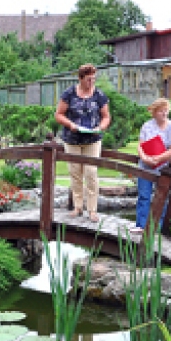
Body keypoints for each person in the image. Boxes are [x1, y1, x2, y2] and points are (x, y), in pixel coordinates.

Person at [54, 64, 111, 222]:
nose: (91, 82)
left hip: (92, 139)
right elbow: (58, 115)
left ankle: (92, 210)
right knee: (75, 173)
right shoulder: (69, 93)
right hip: (72, 139)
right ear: (80, 78)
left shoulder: (99, 95)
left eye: (94, 79)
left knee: (91, 173)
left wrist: (101, 127)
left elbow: (106, 116)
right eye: (88, 79)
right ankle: (78, 207)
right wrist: (70, 124)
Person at [135, 98, 171, 232]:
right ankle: (141, 225)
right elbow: (140, 145)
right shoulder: (147, 126)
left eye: (166, 110)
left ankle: (158, 227)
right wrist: (144, 158)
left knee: (162, 197)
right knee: (144, 196)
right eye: (161, 111)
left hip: (163, 168)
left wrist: (158, 158)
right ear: (154, 112)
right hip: (145, 166)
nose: (164, 113)